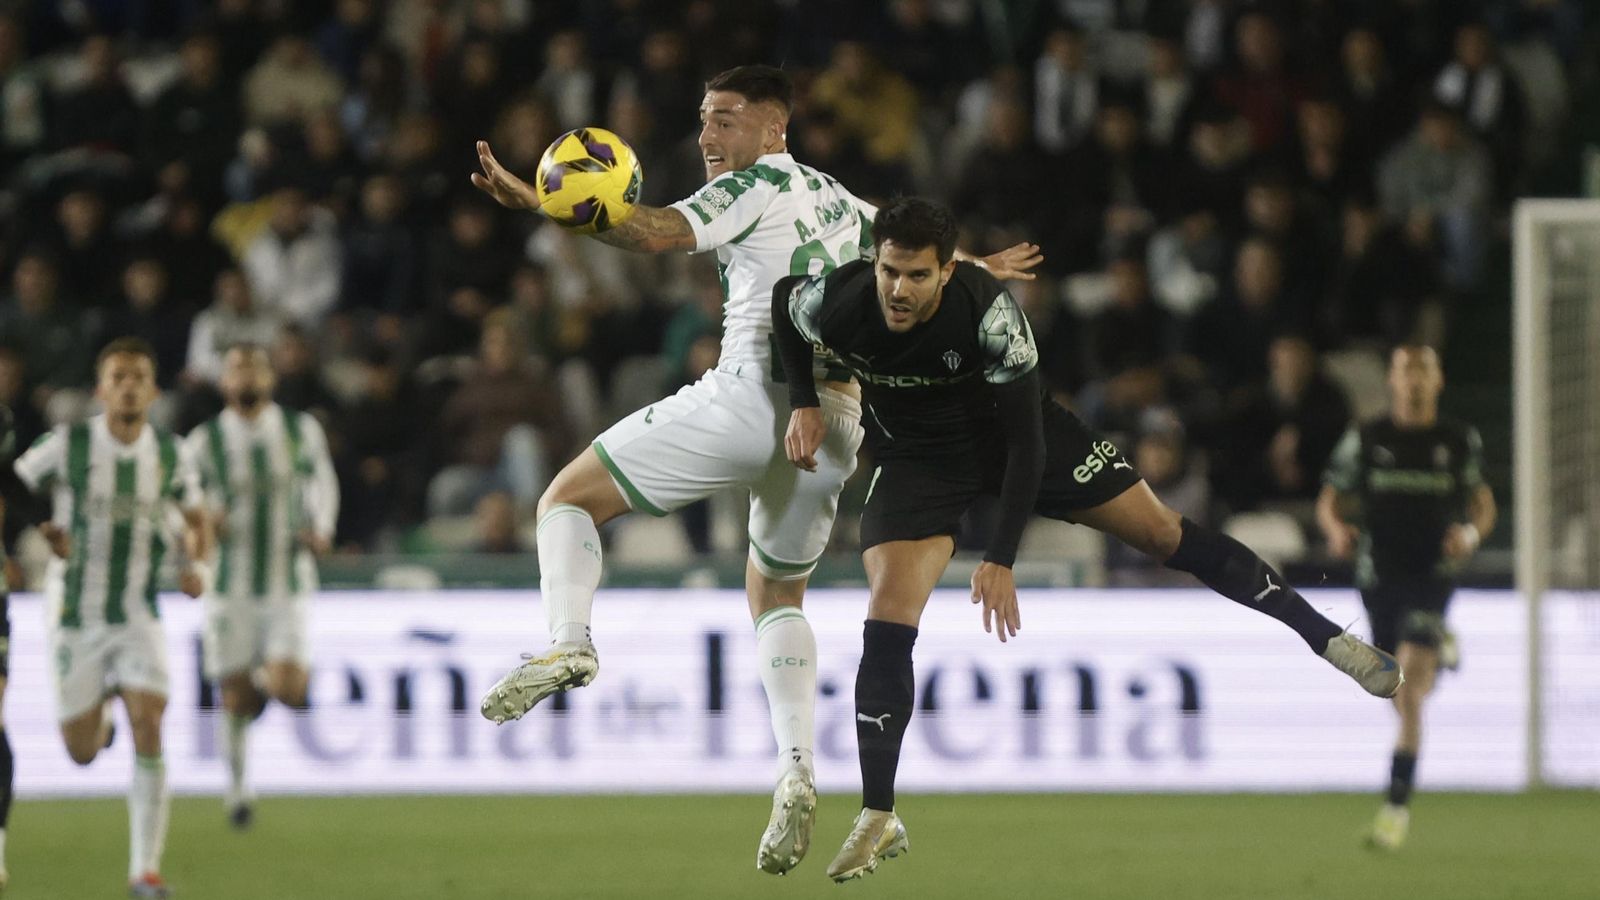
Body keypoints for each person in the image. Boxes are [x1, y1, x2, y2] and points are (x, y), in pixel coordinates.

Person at [469, 64, 1040, 875]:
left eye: (727, 119)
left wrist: (550, 203)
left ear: (775, 130)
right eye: (704, 119)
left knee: (566, 499)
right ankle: (797, 768)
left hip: (750, 398)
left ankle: (568, 642)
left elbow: (657, 230)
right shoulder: (839, 198)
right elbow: (915, 251)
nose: (708, 136)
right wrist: (979, 265)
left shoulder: (756, 181)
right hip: (835, 426)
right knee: (775, 593)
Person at [770, 198, 1401, 882]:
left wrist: (1001, 557)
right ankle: (878, 812)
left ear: (948, 273)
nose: (898, 289)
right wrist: (804, 399)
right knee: (887, 611)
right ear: (875, 261)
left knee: (1162, 532)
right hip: (922, 457)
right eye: (890, 270)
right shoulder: (838, 300)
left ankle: (1326, 637)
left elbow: (1025, 444)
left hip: (1020, 440)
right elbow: (782, 303)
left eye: (917, 275)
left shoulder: (990, 316)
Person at [11, 337, 211, 900]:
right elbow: (13, 486)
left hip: (138, 610)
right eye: (117, 377)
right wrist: (40, 528)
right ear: (101, 390)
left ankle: (144, 872)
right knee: (79, 750)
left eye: (138, 377)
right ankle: (99, 728)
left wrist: (198, 566)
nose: (127, 386)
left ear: (153, 390)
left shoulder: (171, 454)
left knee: (151, 724)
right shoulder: (70, 443)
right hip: (75, 613)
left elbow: (197, 519)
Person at [1316, 345, 1495, 851]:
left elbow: (1482, 504)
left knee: (1410, 691)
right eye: (1405, 371)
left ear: (1438, 380)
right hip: (1380, 578)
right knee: (1399, 691)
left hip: (1431, 576)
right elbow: (1330, 498)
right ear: (1392, 381)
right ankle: (1440, 650)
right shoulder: (1369, 438)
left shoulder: (1457, 441)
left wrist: (1470, 536)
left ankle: (1395, 810)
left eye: (1424, 370)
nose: (1414, 380)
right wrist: (1335, 530)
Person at [185, 344, 338, 829]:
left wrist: (323, 527)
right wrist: (204, 526)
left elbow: (322, 483)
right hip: (228, 585)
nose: (245, 376)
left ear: (270, 378)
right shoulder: (203, 442)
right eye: (235, 367)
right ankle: (237, 791)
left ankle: (260, 681)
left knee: (290, 689)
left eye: (254, 367)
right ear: (223, 381)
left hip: (285, 580)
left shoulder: (298, 430)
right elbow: (183, 506)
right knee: (234, 698)